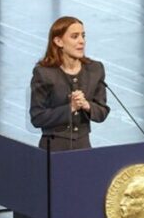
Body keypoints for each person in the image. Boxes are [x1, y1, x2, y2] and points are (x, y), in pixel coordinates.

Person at [29, 16, 110, 150]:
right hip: (54, 148)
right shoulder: (44, 73)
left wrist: (86, 105)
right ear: (58, 41)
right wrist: (70, 108)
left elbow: (102, 111)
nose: (81, 41)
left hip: (83, 147)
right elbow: (37, 118)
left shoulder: (95, 69)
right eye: (75, 36)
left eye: (83, 36)